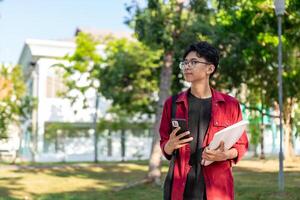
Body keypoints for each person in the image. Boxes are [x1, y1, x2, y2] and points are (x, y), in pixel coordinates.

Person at [160, 41, 249, 200]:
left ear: (210, 68)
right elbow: (165, 145)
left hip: (217, 189)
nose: (187, 66)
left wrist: (224, 155)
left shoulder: (230, 105)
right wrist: (169, 145)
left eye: (193, 62)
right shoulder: (172, 104)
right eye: (185, 62)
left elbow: (241, 145)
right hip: (180, 187)